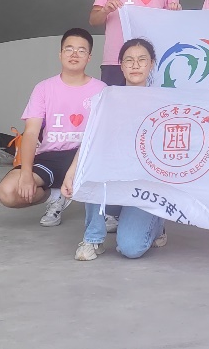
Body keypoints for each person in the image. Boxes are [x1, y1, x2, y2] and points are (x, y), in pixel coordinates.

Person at [62, 38, 168, 260]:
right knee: (92, 169)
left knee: (130, 248)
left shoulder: (163, 102)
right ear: (121, 65)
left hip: (144, 185)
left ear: (151, 64)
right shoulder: (106, 99)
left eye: (142, 60)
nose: (135, 65)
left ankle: (157, 223)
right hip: (113, 178)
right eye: (129, 60)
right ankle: (93, 239)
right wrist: (72, 173)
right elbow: (91, 141)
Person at [0, 28, 105, 228]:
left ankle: (107, 209)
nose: (74, 54)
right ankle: (54, 196)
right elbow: (30, 133)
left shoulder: (101, 90)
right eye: (69, 49)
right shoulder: (44, 88)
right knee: (8, 192)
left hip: (85, 157)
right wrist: (26, 174)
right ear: (60, 54)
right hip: (51, 157)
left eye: (81, 50)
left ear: (89, 57)